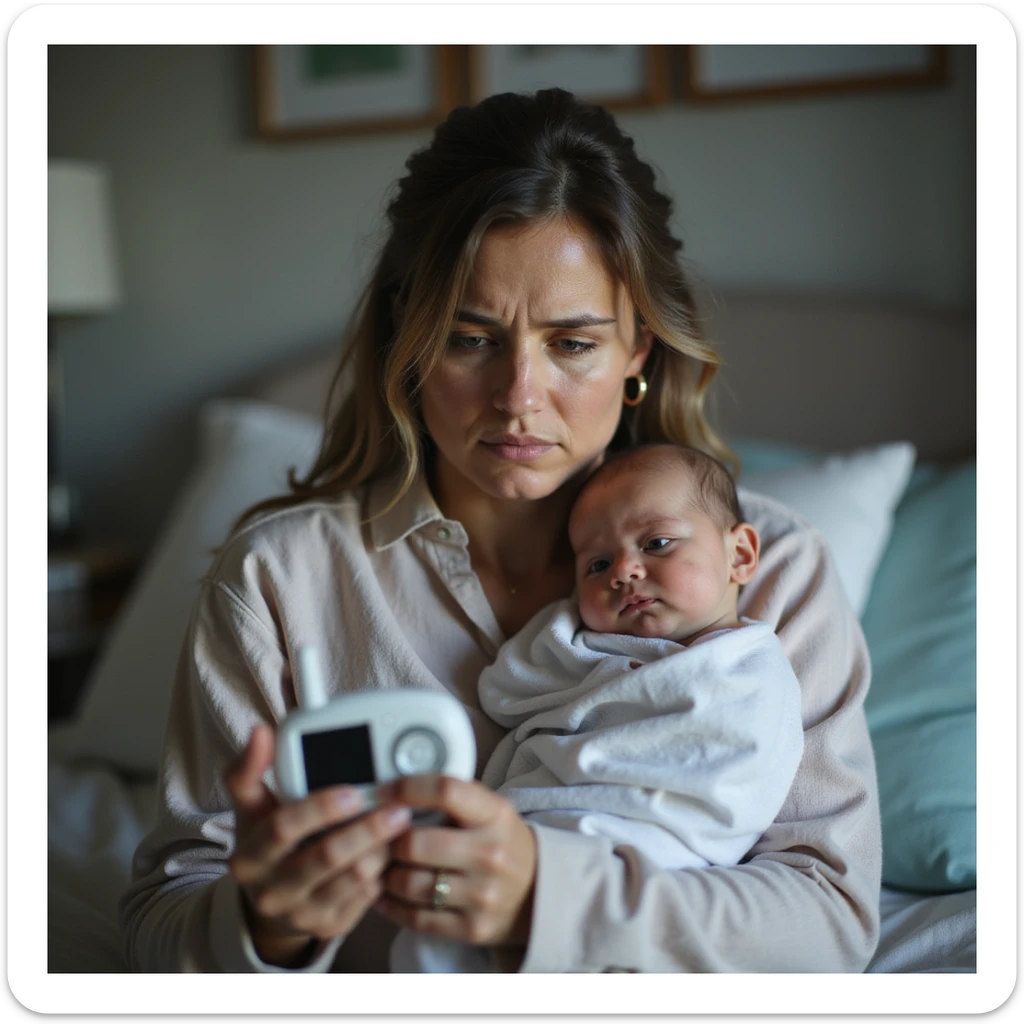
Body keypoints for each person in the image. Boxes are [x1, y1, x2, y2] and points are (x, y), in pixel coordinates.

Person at [119, 87, 882, 974]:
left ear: (639, 353)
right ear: (407, 339)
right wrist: (266, 925)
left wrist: (549, 897)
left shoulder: (774, 570)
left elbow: (828, 919)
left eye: (572, 344)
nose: (519, 397)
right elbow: (162, 920)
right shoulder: (280, 584)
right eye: (471, 338)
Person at [390, 443, 805, 972]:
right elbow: (505, 690)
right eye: (597, 563)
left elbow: (742, 777)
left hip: (652, 859)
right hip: (527, 833)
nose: (624, 571)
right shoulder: (589, 648)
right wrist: (568, 626)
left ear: (740, 556)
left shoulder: (751, 668)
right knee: (429, 941)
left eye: (657, 543)